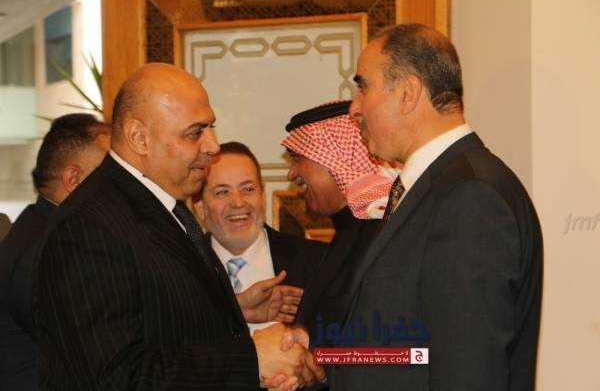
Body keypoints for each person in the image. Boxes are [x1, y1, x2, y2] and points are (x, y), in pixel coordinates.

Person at [32, 63, 324, 391]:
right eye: (195, 133)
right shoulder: (87, 227)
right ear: (139, 137)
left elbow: (162, 320)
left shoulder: (163, 206)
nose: (213, 145)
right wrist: (252, 359)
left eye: (211, 128)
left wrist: (234, 311)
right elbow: (117, 377)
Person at [322, 23, 541, 390]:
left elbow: (469, 370)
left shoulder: (470, 196)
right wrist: (322, 360)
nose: (354, 108)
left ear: (407, 93)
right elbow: (412, 352)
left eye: (363, 87)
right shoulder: (440, 186)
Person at [0, 113, 111, 391]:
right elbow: (96, 348)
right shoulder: (49, 248)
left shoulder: (40, 227)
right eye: (111, 175)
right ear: (73, 178)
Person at [280, 100, 396, 341]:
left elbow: (390, 348)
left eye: (297, 157)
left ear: (337, 156)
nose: (291, 173)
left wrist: (313, 357)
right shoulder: (350, 230)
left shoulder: (381, 235)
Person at [194, 141, 328, 333]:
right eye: (222, 192)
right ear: (200, 208)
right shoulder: (182, 269)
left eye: (248, 189)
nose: (238, 202)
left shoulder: (319, 262)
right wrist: (235, 309)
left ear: (262, 196)